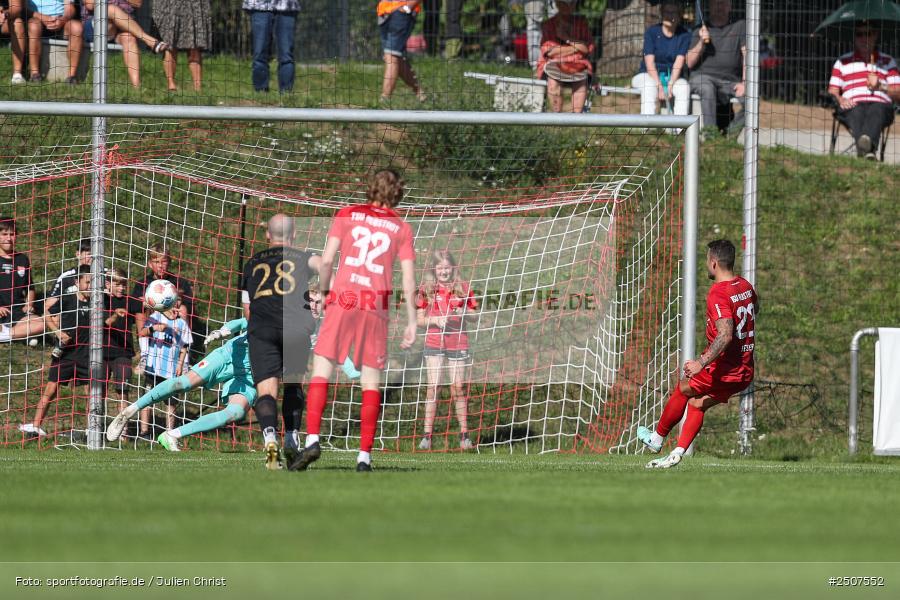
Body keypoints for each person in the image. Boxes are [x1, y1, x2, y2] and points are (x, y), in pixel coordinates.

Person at [290, 169, 418, 473]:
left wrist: (323, 291)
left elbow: (327, 259)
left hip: (344, 298)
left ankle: (312, 440)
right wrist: (412, 320)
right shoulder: (401, 227)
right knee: (370, 382)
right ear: (398, 193)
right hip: (374, 305)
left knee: (321, 368)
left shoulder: (347, 214)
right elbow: (409, 278)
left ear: (369, 188)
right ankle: (363, 457)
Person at [636, 239, 757, 468]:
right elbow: (754, 310)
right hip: (745, 371)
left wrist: (701, 362)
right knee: (697, 404)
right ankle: (677, 453)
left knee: (683, 388)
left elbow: (725, 335)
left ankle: (656, 439)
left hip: (725, 369)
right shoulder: (745, 286)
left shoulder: (718, 293)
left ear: (713, 263)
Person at [105, 318, 276, 453]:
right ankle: (130, 410)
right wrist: (222, 331)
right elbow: (243, 321)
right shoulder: (276, 317)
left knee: (236, 412)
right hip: (229, 356)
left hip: (250, 376)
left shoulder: (295, 340)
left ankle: (172, 435)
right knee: (184, 383)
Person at [241, 214, 320, 470]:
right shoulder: (303, 256)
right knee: (294, 382)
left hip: (263, 327)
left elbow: (248, 309)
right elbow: (325, 265)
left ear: (267, 235)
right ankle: (291, 438)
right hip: (295, 327)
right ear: (293, 234)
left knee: (266, 391)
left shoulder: (251, 263)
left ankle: (270, 442)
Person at [18, 265, 93, 437]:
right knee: (51, 389)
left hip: (86, 354)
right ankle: (35, 427)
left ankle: (92, 430)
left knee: (91, 392)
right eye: (87, 282)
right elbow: (46, 315)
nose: (90, 286)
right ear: (77, 281)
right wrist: (58, 332)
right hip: (66, 354)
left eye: (93, 282)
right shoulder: (67, 299)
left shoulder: (96, 302)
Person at [416, 250, 477, 451]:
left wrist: (464, 312)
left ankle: (464, 436)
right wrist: (434, 320)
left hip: (458, 343)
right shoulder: (426, 289)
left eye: (447, 267)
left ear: (453, 267)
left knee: (457, 388)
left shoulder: (463, 287)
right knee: (433, 388)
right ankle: (426, 437)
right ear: (434, 269)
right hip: (434, 343)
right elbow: (419, 320)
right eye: (440, 267)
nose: (444, 271)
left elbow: (476, 316)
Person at [827, 21, 900, 160]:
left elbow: (898, 93)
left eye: (867, 33)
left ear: (875, 35)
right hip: (851, 104)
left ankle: (864, 150)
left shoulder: (888, 61)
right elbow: (832, 90)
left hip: (881, 105)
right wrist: (840, 99)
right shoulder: (842, 61)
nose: (863, 38)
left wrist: (880, 86)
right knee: (856, 109)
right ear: (854, 37)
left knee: (877, 108)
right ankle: (869, 151)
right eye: (859, 34)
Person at [136, 293, 192, 441]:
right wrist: (154, 329)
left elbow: (184, 346)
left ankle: (170, 433)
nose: (176, 306)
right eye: (174, 302)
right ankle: (144, 432)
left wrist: (181, 365)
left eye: (178, 303)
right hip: (153, 367)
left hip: (171, 370)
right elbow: (141, 333)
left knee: (171, 403)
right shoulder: (155, 318)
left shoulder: (181, 324)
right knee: (147, 399)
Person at [132, 243, 198, 368]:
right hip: (152, 320)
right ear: (150, 264)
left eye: (164, 261)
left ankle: (183, 358)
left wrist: (178, 300)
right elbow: (133, 304)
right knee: (140, 310)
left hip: (173, 319)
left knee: (183, 309)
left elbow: (189, 303)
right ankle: (145, 354)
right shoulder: (143, 283)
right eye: (156, 261)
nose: (160, 265)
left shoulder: (179, 282)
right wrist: (147, 304)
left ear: (169, 262)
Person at [685, 0, 746, 134]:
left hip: (730, 82)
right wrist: (701, 42)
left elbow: (747, 56)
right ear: (710, 6)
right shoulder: (700, 28)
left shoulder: (741, 26)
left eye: (723, 3)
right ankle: (710, 135)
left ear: (730, 6)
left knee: (752, 99)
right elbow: (689, 63)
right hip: (702, 78)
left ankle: (729, 138)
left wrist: (745, 83)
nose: (720, 6)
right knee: (707, 88)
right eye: (716, 3)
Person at [81, 0, 169, 89]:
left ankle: (137, 88)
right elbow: (90, 5)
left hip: (122, 27)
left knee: (129, 38)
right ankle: (149, 40)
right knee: (111, 9)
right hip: (95, 25)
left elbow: (138, 3)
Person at [631, 0, 691, 117]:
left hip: (673, 77)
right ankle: (647, 126)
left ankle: (680, 129)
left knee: (684, 86)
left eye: (673, 12)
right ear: (661, 13)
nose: (669, 16)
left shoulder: (684, 35)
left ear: (679, 15)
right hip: (648, 75)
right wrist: (659, 86)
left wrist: (670, 85)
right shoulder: (651, 32)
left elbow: (679, 62)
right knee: (649, 85)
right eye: (666, 12)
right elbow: (649, 63)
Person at [535, 0, 594, 113]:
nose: (569, 6)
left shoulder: (581, 23)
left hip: (578, 65)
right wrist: (576, 47)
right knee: (553, 83)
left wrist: (566, 38)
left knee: (581, 84)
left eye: (572, 3)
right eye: (565, 3)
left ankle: (576, 119)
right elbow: (550, 52)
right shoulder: (549, 25)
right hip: (554, 65)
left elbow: (587, 49)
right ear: (557, 4)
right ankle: (557, 119)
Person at [103, 268, 142, 428]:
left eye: (124, 285)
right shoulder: (100, 299)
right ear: (107, 283)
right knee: (97, 392)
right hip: (101, 352)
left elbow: (145, 306)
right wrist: (114, 315)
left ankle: (122, 430)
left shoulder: (129, 301)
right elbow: (104, 324)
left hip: (123, 353)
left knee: (122, 392)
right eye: (117, 284)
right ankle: (93, 429)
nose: (121, 288)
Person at [0, 217, 46, 344]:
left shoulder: (22, 259)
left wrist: (29, 305)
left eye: (12, 234)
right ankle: (21, 334)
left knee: (40, 324)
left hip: (17, 311)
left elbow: (30, 287)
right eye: (4, 234)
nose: (8, 238)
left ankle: (6, 335)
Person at [152, 0, 212, 92]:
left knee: (195, 44)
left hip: (194, 3)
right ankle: (171, 86)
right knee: (169, 43)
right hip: (169, 4)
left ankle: (198, 89)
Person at [242, 0, 298, 93]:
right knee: (259, 53)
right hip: (259, 5)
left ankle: (286, 94)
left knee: (286, 55)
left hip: (287, 5)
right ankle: (261, 92)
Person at [378, 0, 427, 104]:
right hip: (384, 12)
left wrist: (408, 7)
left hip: (402, 11)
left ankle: (384, 100)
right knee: (394, 58)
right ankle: (420, 93)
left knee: (392, 56)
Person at [25, 0, 83, 84]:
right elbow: (22, 8)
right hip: (36, 19)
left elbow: (70, 8)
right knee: (34, 26)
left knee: (77, 28)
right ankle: (34, 74)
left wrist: (63, 19)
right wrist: (42, 17)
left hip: (61, 21)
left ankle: (71, 77)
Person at [1, 0, 26, 84]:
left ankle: (17, 75)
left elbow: (16, 8)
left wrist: (4, 14)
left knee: (18, 23)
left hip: (5, 21)